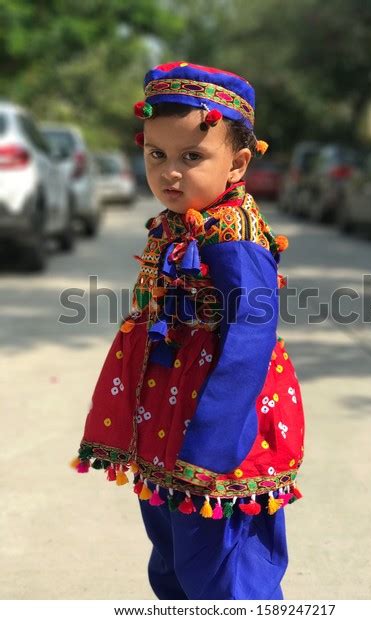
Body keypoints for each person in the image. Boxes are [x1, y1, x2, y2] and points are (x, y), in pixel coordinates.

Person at [71, 61, 305, 600]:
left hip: (216, 426)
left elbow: (251, 333)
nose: (169, 172)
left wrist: (214, 438)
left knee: (220, 569)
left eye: (191, 156)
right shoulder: (181, 223)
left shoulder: (232, 233)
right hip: (169, 416)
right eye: (157, 155)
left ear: (238, 163)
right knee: (173, 556)